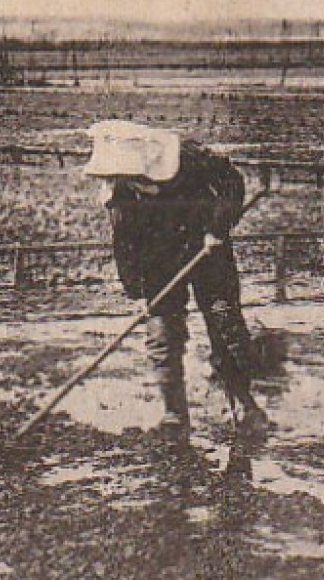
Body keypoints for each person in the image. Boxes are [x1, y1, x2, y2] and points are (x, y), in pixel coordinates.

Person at [83, 120, 266, 435]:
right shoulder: (120, 197)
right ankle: (174, 414)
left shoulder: (191, 159)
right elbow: (125, 246)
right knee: (162, 334)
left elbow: (232, 184)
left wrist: (216, 228)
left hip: (209, 250)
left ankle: (243, 403)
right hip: (160, 260)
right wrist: (140, 291)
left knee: (225, 325)